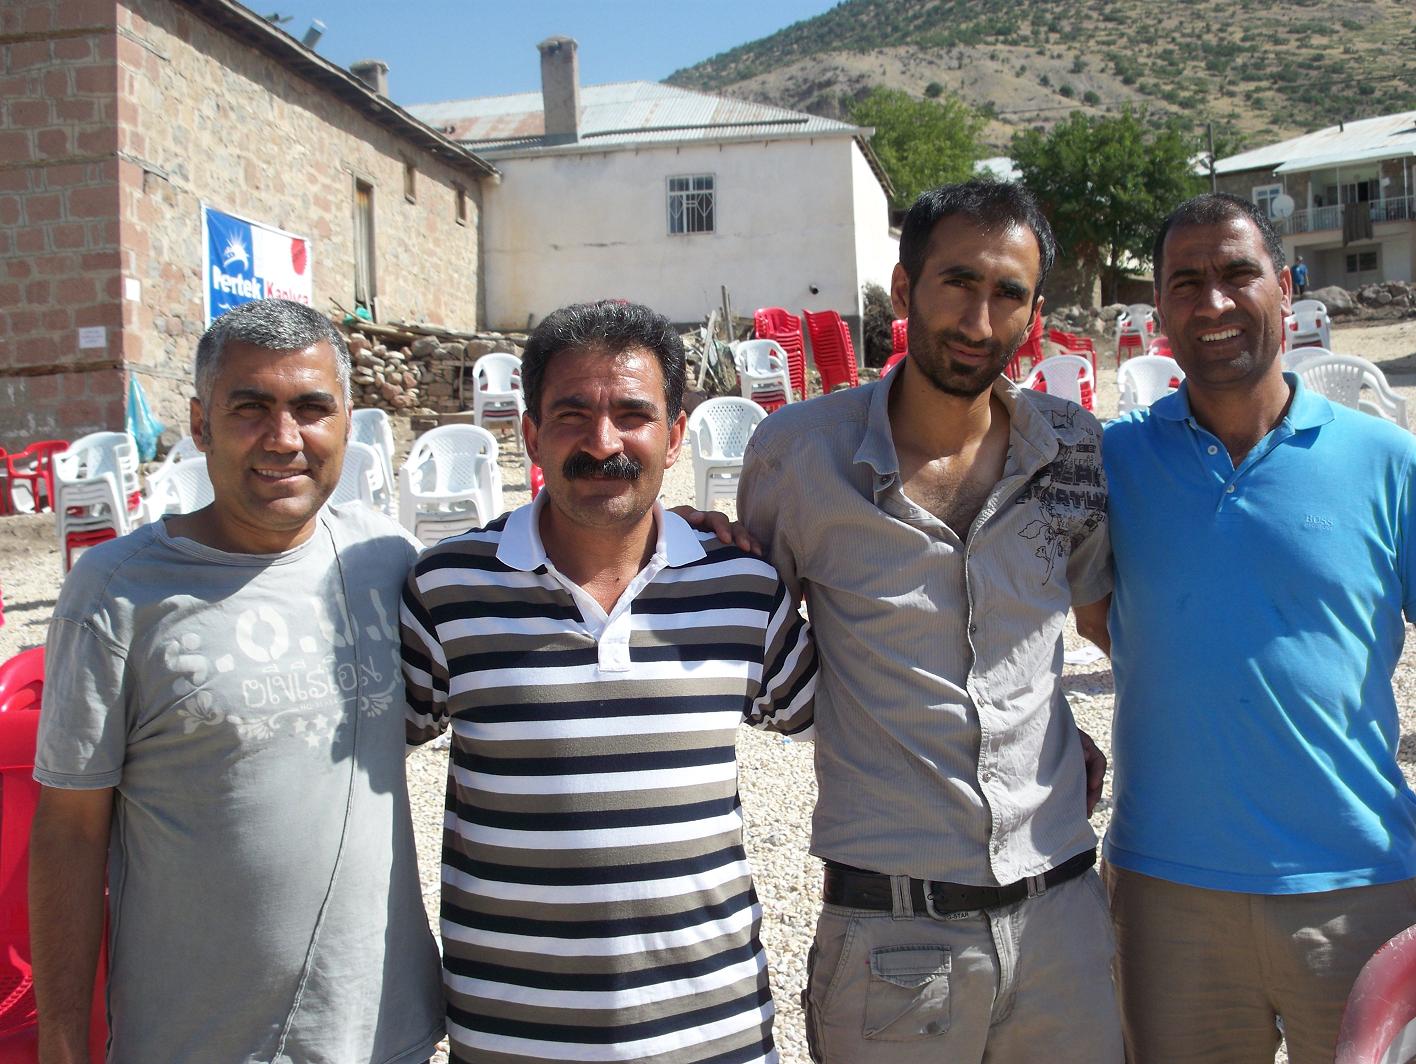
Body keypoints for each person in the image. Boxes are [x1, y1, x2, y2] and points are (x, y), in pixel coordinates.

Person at [733, 182, 1122, 1061]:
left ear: (1035, 312)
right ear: (905, 289)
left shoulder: (1072, 448)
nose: (979, 320)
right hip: (893, 939)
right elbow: (744, 625)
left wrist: (1064, 733)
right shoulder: (799, 455)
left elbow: (1103, 622)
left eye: (1008, 293)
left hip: (1063, 924)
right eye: (958, 283)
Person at [400, 300, 816, 1064]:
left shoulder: (744, 587)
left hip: (713, 1036)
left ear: (675, 436)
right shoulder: (446, 590)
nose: (603, 443)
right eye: (572, 415)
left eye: (632, 415)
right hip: (513, 1042)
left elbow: (859, 724)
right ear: (529, 434)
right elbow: (354, 771)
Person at [30, 299, 443, 1063]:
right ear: (199, 424)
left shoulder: (389, 561)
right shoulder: (117, 592)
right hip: (195, 1042)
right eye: (250, 408)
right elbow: (69, 831)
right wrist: (59, 1044)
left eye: (311, 408)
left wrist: (671, 530)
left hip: (386, 1033)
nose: (283, 438)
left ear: (346, 424)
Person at [1075, 192, 1416, 1063]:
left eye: (1237, 273)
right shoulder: (1113, 462)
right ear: (1159, 308)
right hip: (1166, 894)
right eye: (1186, 283)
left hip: (1363, 886)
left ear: (1287, 286)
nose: (1213, 302)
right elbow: (1094, 616)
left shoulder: (1387, 461)